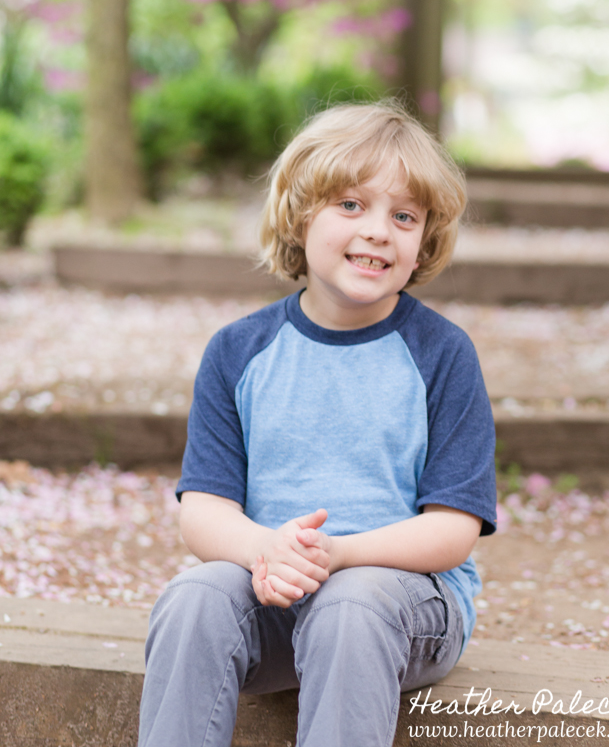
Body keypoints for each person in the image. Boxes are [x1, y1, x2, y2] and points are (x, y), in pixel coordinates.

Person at [138, 100, 497, 747]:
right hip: (272, 591)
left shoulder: (441, 355)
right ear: (301, 217)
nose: (378, 230)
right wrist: (265, 551)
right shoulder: (239, 351)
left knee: (348, 606)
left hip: (405, 607)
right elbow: (203, 513)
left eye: (404, 216)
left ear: (423, 242)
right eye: (350, 205)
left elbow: (451, 532)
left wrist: (338, 556)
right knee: (195, 598)